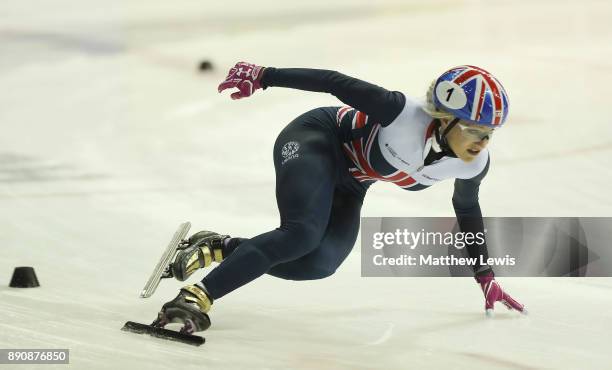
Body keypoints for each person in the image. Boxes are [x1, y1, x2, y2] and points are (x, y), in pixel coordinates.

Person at [152, 62, 526, 334]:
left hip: (353, 182)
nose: (482, 142)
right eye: (476, 130)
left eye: (490, 133)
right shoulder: (400, 112)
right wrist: (264, 76)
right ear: (444, 119)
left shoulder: (471, 165)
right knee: (302, 234)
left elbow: (467, 209)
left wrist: (484, 275)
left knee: (318, 264)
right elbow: (334, 82)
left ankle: (220, 246)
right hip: (316, 139)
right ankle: (197, 296)